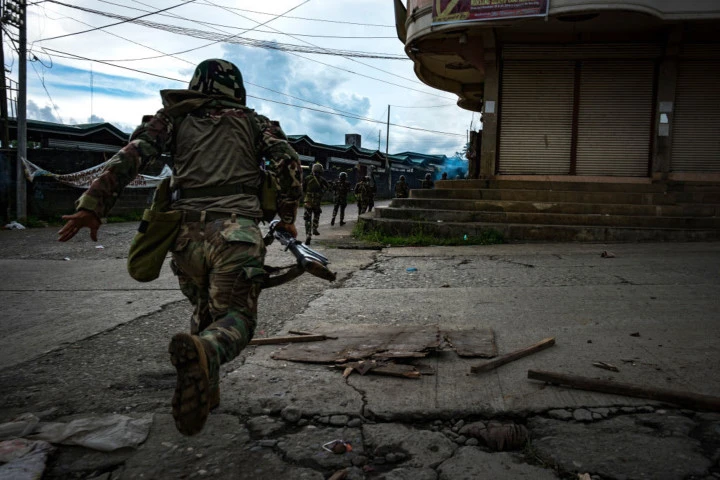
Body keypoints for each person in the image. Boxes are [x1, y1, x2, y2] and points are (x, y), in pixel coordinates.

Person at [57, 59, 303, 436]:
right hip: (236, 232)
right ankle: (207, 352)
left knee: (203, 308)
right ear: (236, 88)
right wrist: (286, 215)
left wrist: (93, 206)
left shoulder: (172, 119)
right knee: (237, 319)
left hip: (185, 238)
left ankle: (208, 391)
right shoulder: (256, 123)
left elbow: (131, 154)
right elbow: (288, 162)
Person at [302, 163, 330, 244]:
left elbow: (303, 188)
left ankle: (308, 235)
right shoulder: (322, 179)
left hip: (308, 201)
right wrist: (321, 193)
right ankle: (314, 228)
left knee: (307, 218)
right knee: (317, 214)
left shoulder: (307, 178)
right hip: (317, 202)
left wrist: (307, 195)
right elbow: (327, 187)